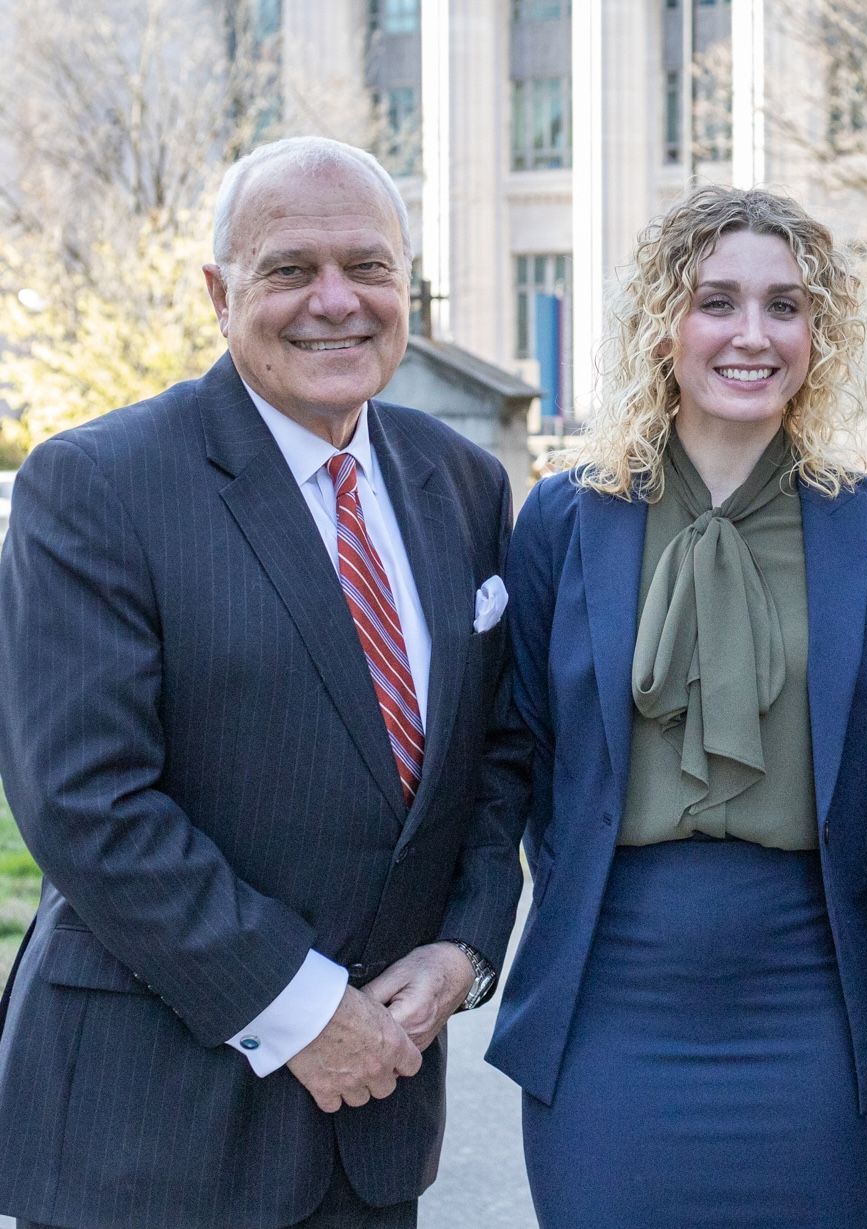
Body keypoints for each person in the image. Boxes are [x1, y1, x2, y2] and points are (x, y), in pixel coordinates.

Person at [0, 136, 528, 1229]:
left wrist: (465, 945)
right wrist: (300, 1009)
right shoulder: (97, 483)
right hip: (145, 1133)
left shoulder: (463, 482)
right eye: (290, 268)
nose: (336, 300)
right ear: (219, 292)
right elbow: (86, 801)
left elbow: (496, 754)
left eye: (368, 266)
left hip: (372, 1127)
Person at [484, 185, 867, 1228]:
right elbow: (527, 756)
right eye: (716, 301)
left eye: (786, 306)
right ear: (662, 323)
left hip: (817, 1008)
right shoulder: (565, 518)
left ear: (821, 333)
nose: (752, 334)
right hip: (609, 1004)